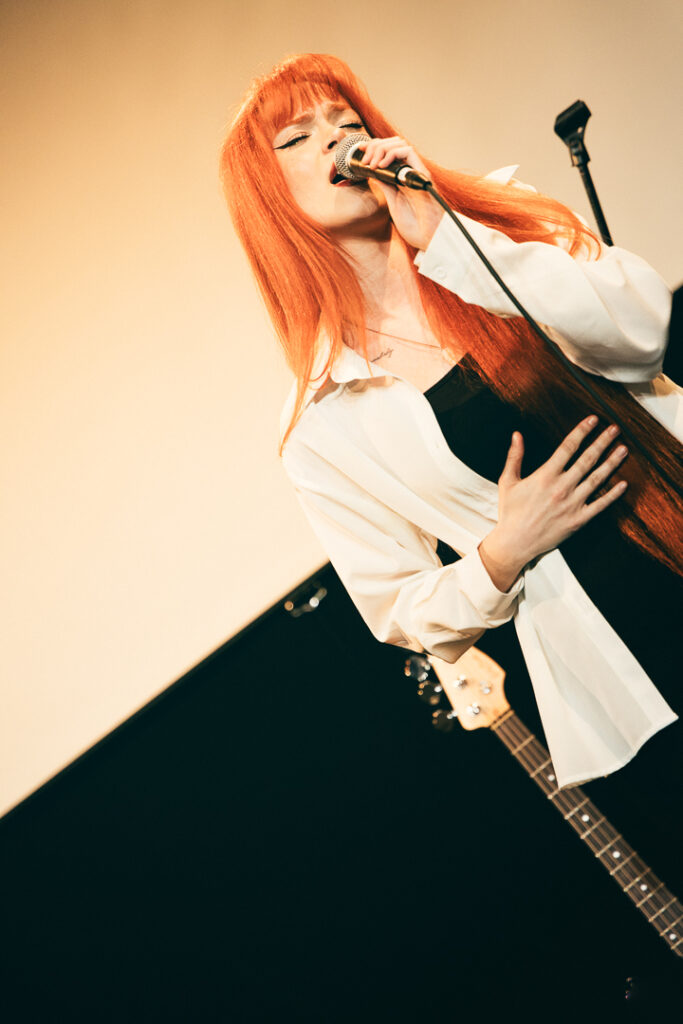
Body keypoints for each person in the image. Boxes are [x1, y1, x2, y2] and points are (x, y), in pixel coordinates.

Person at [219, 55, 683, 896]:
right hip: (621, 645)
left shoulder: (493, 225)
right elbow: (396, 608)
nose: (337, 139)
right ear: (268, 199)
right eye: (299, 136)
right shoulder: (322, 420)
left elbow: (641, 333)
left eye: (348, 122)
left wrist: (454, 244)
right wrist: (499, 554)